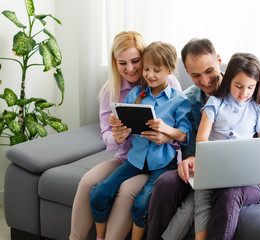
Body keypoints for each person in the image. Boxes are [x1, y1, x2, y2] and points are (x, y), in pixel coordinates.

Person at [146, 38, 260, 240]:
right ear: (187, 72)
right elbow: (191, 145)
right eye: (196, 75)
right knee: (165, 183)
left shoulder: (250, 88)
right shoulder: (190, 100)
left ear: (219, 62)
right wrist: (188, 159)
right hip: (207, 172)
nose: (205, 81)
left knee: (229, 193)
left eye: (209, 71)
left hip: (247, 176)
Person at [69, 31, 182, 240]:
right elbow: (105, 133)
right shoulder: (111, 90)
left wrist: (167, 137)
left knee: (128, 189)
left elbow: (180, 128)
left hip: (160, 159)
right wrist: (117, 137)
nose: (130, 69)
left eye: (136, 61)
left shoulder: (169, 83)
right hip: (127, 157)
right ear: (115, 62)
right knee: (87, 182)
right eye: (122, 63)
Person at [193, 52, 260, 239]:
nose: (244, 93)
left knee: (230, 192)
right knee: (222, 192)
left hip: (250, 180)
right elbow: (201, 141)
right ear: (228, 80)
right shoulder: (216, 103)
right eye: (238, 86)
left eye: (250, 88)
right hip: (217, 173)